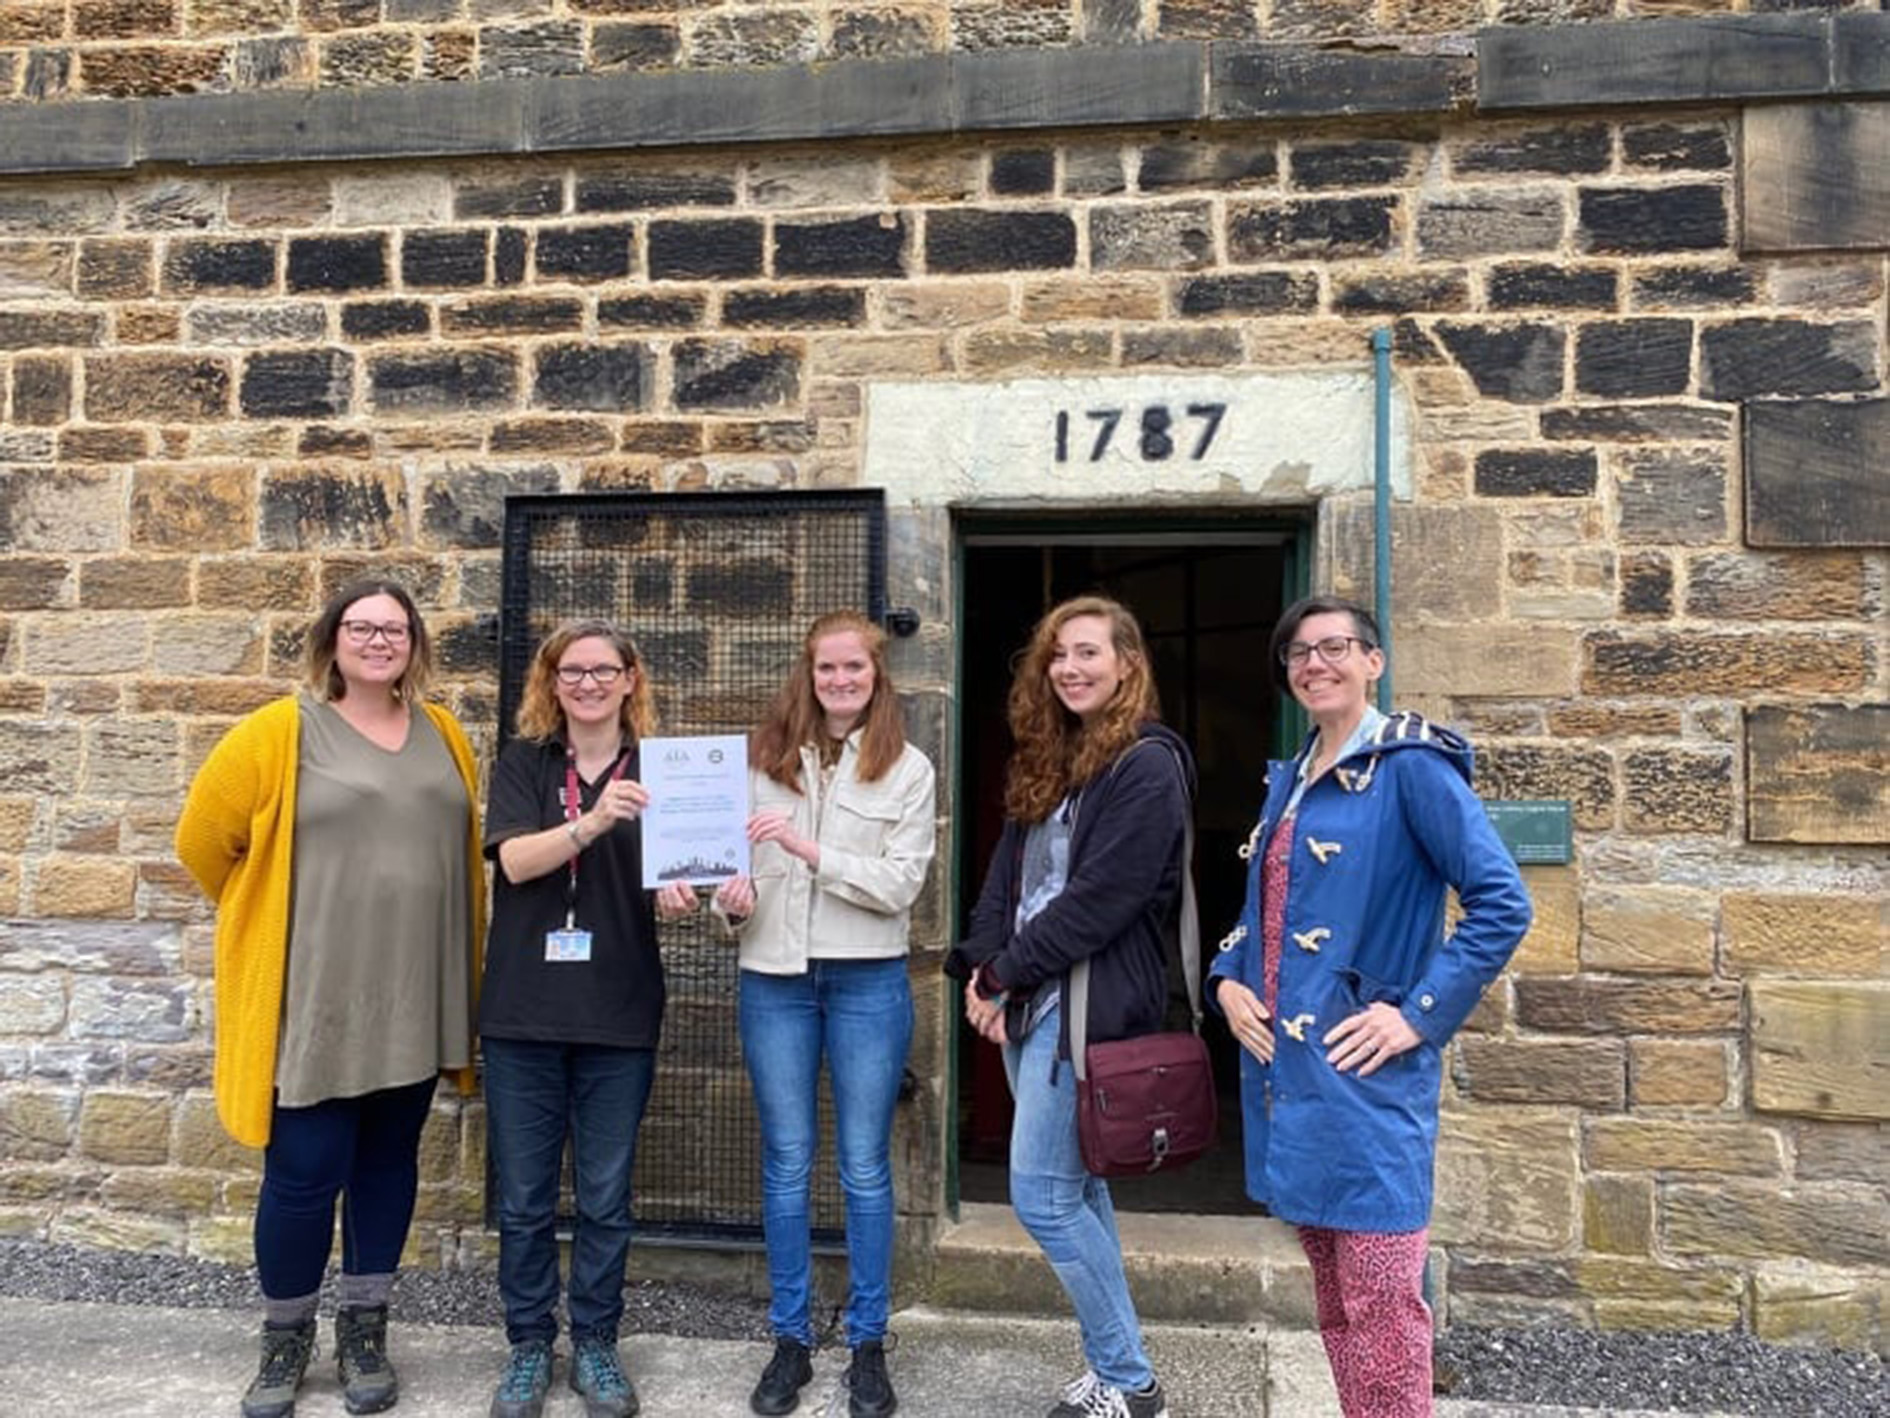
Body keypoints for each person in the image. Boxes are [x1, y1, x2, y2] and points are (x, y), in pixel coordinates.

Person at [1209, 593, 1532, 1417]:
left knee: (1385, 1304)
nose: (1315, 663)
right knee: (1336, 1304)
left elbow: (1502, 903)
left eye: (1335, 647)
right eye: (1298, 653)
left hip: (1370, 1081)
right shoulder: (1290, 780)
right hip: (1293, 1081)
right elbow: (1261, 913)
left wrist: (1416, 1014)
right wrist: (1228, 980)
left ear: (1373, 662)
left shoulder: (1411, 767)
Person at [175, 580, 484, 1418]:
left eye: (394, 628)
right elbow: (203, 841)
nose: (378, 640)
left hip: (415, 996)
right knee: (304, 1176)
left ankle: (365, 1328)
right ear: (332, 640)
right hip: (315, 999)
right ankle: (284, 1342)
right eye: (361, 627)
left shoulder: (445, 734)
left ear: (415, 645)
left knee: (387, 1167)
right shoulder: (280, 732)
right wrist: (266, 918)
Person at [946, 595, 1191, 1418]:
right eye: (1058, 654)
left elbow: (1102, 900)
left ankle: (1130, 1379)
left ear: (1127, 664)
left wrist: (1008, 974)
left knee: (1043, 1197)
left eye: (1088, 652)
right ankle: (1113, 1369)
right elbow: (1005, 878)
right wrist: (982, 968)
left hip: (1083, 1006)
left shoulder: (1148, 764)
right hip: (1028, 1001)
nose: (1070, 668)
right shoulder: (1053, 754)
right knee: (1079, 1192)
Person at [707, 611, 937, 1418]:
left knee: (866, 1167)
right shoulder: (762, 762)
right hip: (773, 978)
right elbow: (728, 888)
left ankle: (869, 1341)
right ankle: (791, 1339)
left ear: (878, 676)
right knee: (786, 1160)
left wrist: (809, 853)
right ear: (807, 676)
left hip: (867, 980)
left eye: (855, 669)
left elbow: (900, 885)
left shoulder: (907, 769)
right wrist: (730, 904)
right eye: (826, 670)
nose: (840, 682)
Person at [480, 620, 698, 1418]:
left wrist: (682, 891)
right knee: (526, 1199)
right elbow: (514, 862)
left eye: (605, 670)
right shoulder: (523, 764)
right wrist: (596, 819)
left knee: (606, 1196)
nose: (589, 683)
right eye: (573, 671)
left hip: (618, 1009)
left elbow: (681, 877)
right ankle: (530, 1345)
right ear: (553, 681)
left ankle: (597, 1344)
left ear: (631, 679)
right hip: (523, 1011)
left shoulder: (665, 774)